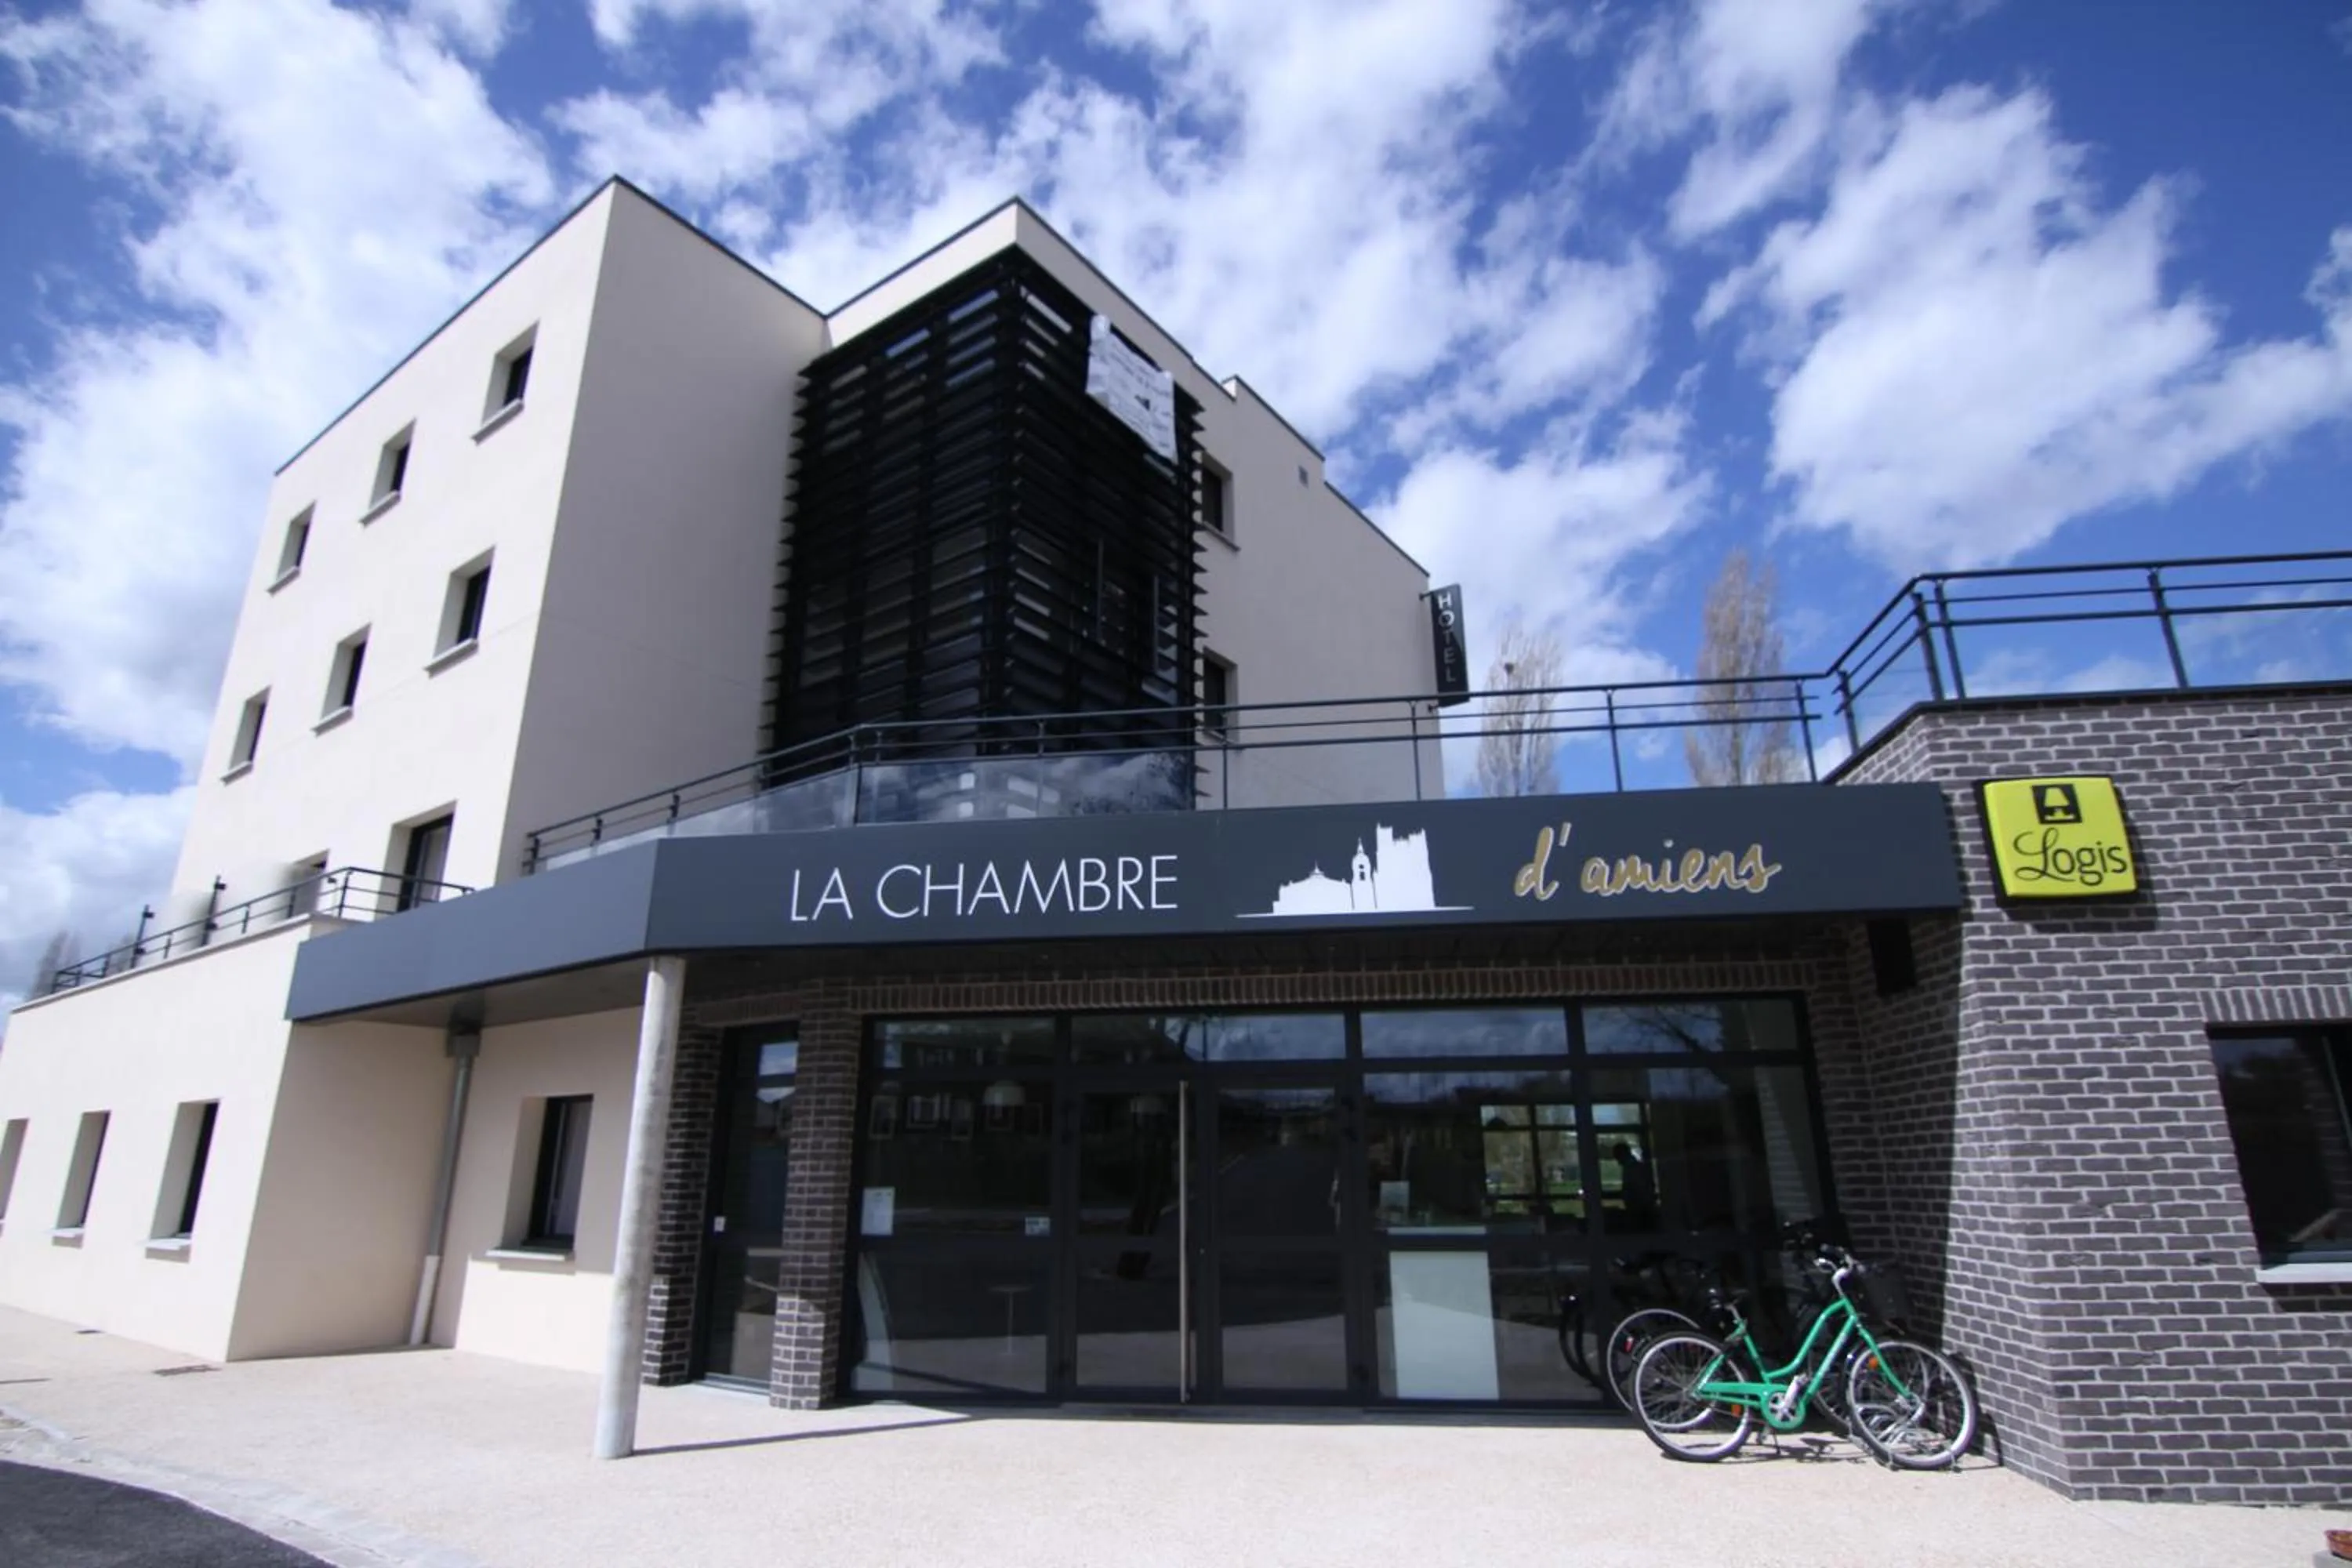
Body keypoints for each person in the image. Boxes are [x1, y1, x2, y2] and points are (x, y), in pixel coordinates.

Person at [1611, 1141, 1657, 1231]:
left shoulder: (1632, 1169)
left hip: (1641, 1212)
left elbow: (1639, 1190)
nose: (1616, 1159)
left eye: (1617, 1156)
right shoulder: (1635, 1167)